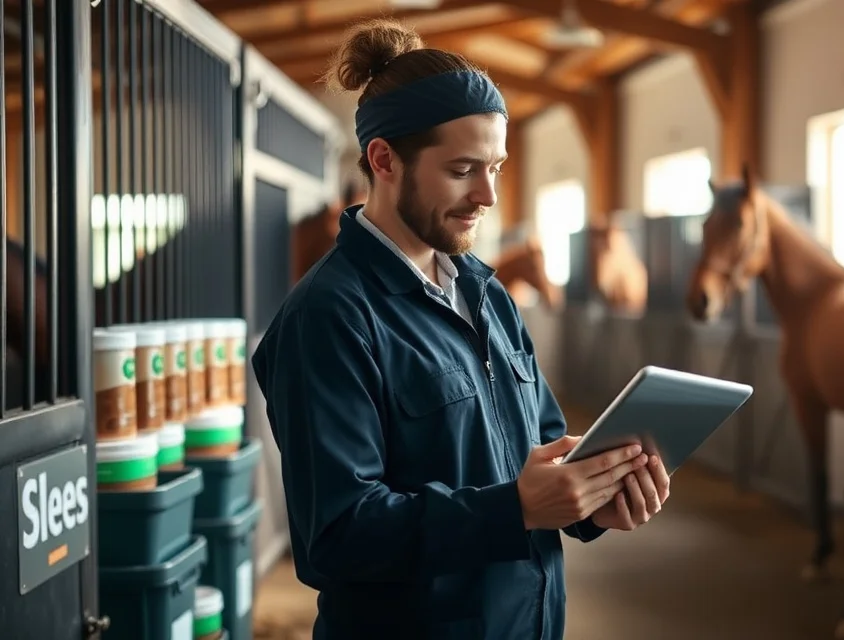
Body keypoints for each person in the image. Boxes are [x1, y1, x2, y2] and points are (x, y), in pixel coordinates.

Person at [251, 19, 672, 640]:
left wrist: (592, 499)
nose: (488, 195)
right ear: (384, 159)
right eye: (463, 170)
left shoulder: (485, 290)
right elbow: (336, 536)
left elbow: (544, 442)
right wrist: (517, 508)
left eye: (496, 167)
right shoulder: (330, 316)